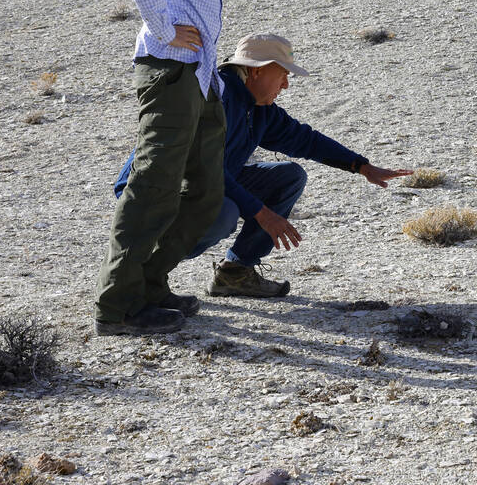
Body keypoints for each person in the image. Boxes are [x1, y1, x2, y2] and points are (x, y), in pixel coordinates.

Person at [94, 0, 282, 336]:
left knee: (205, 193)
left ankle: (151, 284)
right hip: (171, 70)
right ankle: (118, 306)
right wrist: (163, 27)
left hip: (199, 77)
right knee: (155, 185)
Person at [114, 32, 412, 298]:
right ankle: (145, 274)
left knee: (288, 177)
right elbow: (203, 169)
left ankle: (234, 274)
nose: (285, 84)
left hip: (207, 180)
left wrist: (361, 166)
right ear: (255, 72)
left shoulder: (257, 108)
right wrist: (261, 213)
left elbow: (305, 140)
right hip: (154, 187)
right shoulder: (216, 97)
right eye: (282, 74)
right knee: (224, 212)